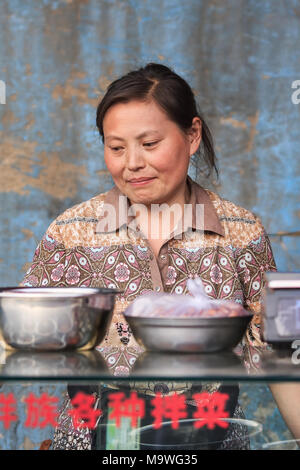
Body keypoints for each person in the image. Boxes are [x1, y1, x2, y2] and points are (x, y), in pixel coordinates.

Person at [21, 63, 300, 449]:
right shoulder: (73, 232)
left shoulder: (240, 233)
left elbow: (277, 354)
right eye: (116, 147)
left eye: (149, 144)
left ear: (193, 135)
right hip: (95, 440)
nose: (132, 163)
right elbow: (20, 342)